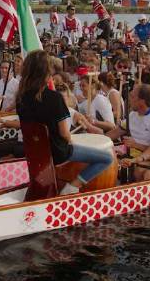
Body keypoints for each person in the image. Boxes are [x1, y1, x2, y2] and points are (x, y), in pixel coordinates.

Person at [16, 50, 114, 195]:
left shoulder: (21, 98)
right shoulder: (54, 98)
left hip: (33, 151)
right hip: (57, 152)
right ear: (47, 72)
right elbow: (64, 133)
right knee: (107, 158)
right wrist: (70, 140)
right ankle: (73, 187)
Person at [109, 84, 150, 158]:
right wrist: (96, 140)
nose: (129, 99)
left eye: (132, 97)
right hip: (131, 155)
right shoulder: (133, 114)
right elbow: (115, 132)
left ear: (142, 101)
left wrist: (136, 145)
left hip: (149, 159)